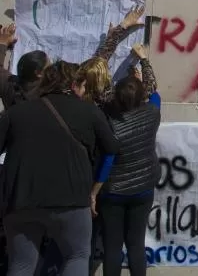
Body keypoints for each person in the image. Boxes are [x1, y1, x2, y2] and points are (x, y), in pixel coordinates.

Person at [0, 61, 119, 276]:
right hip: (71, 199)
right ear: (75, 85)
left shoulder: (17, 112)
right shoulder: (89, 112)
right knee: (77, 255)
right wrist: (94, 191)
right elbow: (111, 148)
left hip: (20, 199)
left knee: (21, 264)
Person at [91, 43, 159, 276]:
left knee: (112, 247)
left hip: (112, 192)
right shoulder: (153, 112)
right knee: (136, 245)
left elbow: (98, 81)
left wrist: (94, 192)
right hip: (142, 190)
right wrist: (144, 61)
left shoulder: (107, 117)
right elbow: (153, 91)